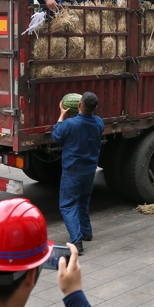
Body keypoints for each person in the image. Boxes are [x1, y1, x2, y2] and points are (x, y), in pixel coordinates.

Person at [52, 92, 104, 250]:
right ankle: (86, 232)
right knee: (83, 201)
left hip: (72, 172)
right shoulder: (99, 122)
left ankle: (76, 241)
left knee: (68, 205)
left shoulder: (70, 124)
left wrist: (61, 115)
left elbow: (56, 135)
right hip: (89, 171)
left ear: (79, 105)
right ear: (96, 107)